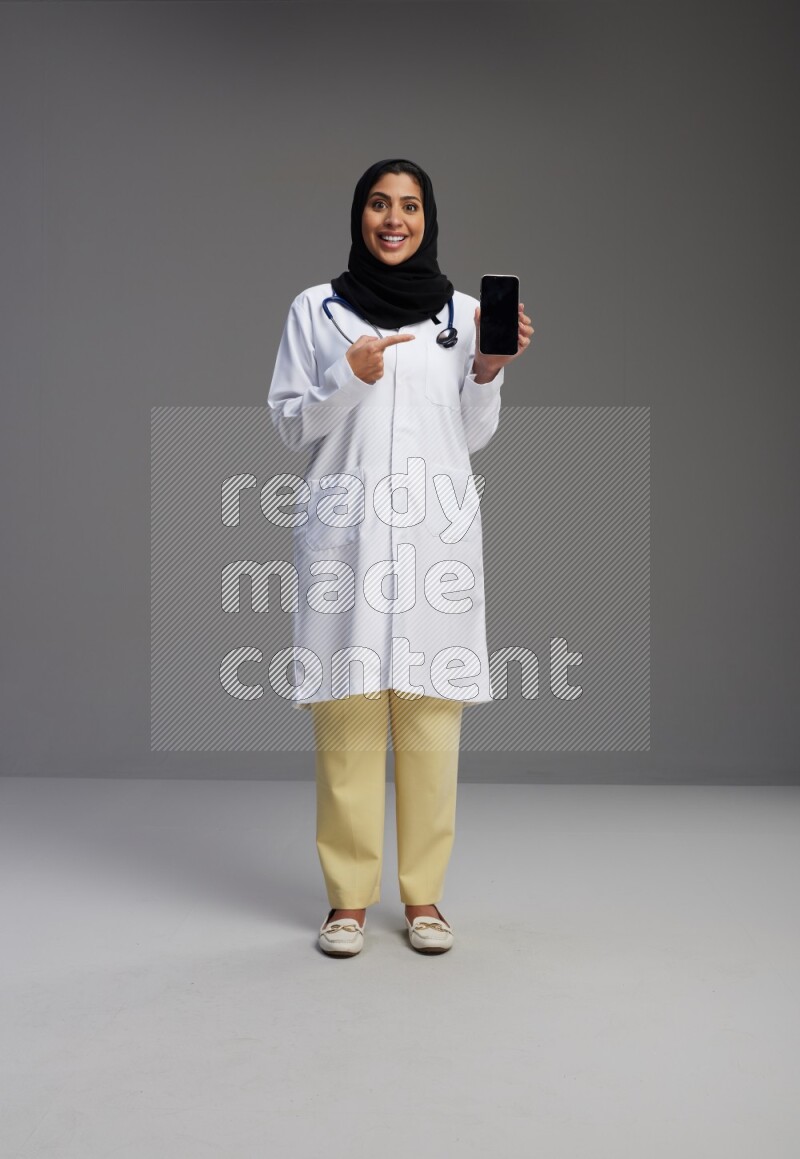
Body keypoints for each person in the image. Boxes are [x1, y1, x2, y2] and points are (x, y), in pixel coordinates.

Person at [267, 158, 534, 956]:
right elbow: (290, 424)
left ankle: (425, 899)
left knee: (428, 720)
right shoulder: (317, 311)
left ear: (428, 218)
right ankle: (347, 901)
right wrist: (345, 380)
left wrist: (487, 369)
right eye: (380, 204)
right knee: (347, 716)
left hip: (432, 539)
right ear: (359, 216)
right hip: (347, 534)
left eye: (409, 206)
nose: (394, 219)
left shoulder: (459, 314)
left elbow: (473, 435)